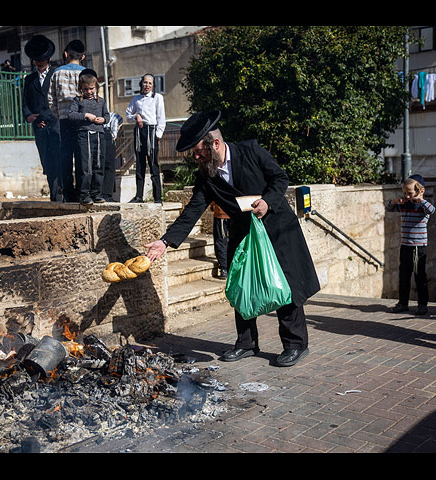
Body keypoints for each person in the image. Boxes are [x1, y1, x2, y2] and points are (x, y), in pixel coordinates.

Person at [144, 110, 320, 367]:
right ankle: (246, 343)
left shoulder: (250, 150)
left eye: (198, 151)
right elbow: (193, 210)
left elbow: (280, 178)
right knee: (240, 286)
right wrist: (165, 241)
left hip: (276, 227)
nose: (196, 157)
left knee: (285, 285)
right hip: (242, 232)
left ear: (215, 144)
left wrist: (267, 202)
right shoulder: (207, 175)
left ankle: (295, 345)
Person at [386, 174, 436, 315]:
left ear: (420, 191)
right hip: (405, 246)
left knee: (419, 276)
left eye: (410, 193)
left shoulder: (422, 206)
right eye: (405, 193)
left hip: (417, 247)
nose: (407, 196)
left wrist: (420, 200)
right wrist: (395, 201)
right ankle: (403, 303)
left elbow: (432, 210)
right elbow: (389, 208)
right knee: (404, 276)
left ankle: (422, 305)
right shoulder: (404, 205)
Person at [23, 35, 62, 202]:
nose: (39, 63)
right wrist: (31, 117)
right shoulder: (29, 80)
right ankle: (55, 196)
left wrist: (50, 118)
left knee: (59, 159)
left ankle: (61, 194)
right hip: (39, 127)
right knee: (46, 161)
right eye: (36, 60)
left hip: (56, 125)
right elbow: (25, 104)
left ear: (49, 58)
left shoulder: (57, 75)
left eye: (42, 60)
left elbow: (61, 100)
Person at [48, 40, 86, 203]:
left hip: (64, 120)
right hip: (81, 120)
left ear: (65, 54)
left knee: (65, 156)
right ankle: (81, 192)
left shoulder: (57, 73)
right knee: (81, 155)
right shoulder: (86, 73)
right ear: (83, 57)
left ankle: (68, 193)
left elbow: (51, 99)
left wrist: (58, 115)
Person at [68, 69, 110, 205]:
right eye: (85, 89)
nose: (89, 92)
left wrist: (103, 120)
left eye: (91, 89)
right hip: (84, 135)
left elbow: (107, 116)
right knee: (86, 166)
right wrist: (86, 115)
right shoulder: (77, 101)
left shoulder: (101, 101)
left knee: (98, 164)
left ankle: (96, 193)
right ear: (81, 89)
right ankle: (84, 194)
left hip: (99, 135)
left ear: (96, 87)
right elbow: (71, 115)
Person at [125, 73, 166, 204]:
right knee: (140, 165)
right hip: (139, 131)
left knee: (153, 164)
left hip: (151, 131)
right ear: (141, 83)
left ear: (153, 85)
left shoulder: (158, 98)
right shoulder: (136, 99)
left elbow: (161, 118)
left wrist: (158, 136)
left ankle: (157, 197)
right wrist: (136, 116)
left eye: (150, 83)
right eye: (145, 82)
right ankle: (139, 196)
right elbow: (128, 115)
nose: (147, 85)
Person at [101, 112, 123, 202]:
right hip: (107, 137)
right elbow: (115, 131)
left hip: (97, 135)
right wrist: (114, 135)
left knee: (100, 166)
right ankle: (107, 195)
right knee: (109, 167)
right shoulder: (116, 117)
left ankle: (100, 193)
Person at [209, 202, 229, 278]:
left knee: (220, 241)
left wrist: (212, 205)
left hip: (222, 214)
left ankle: (224, 268)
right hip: (234, 212)